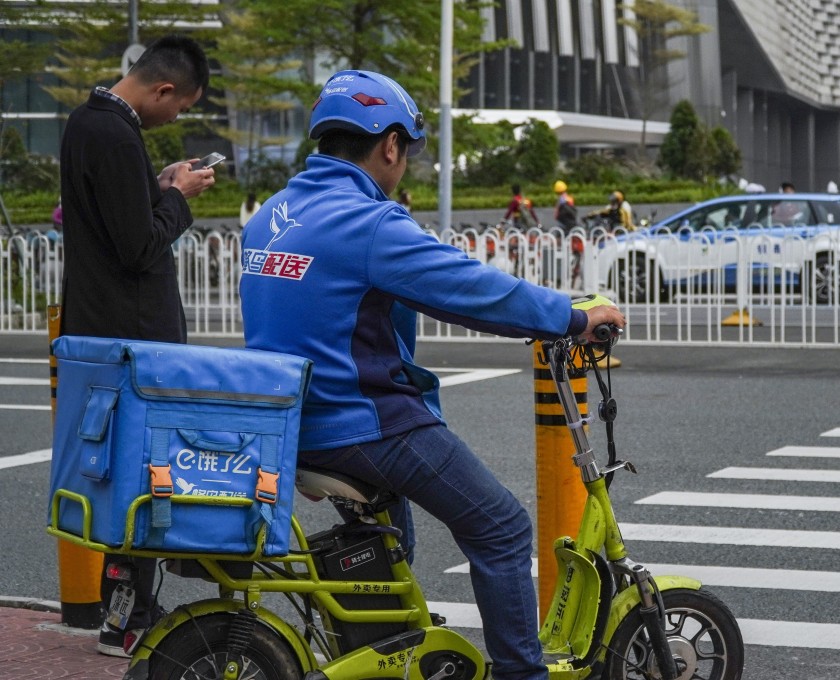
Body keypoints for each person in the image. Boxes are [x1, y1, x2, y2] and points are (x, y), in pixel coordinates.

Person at [239, 69, 625, 680]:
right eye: (407, 151)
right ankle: (521, 673)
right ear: (389, 144)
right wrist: (569, 318)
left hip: (294, 423)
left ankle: (385, 653)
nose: (405, 165)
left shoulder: (271, 217)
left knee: (394, 543)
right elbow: (470, 289)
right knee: (500, 526)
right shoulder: (367, 223)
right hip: (364, 423)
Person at [58, 34, 215, 657]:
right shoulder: (118, 133)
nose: (176, 118)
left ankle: (121, 615)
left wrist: (157, 184)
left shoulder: (85, 122)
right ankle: (128, 620)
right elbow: (139, 246)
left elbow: (109, 214)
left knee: (121, 477)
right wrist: (179, 198)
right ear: (163, 88)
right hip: (135, 339)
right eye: (180, 107)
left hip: (101, 327)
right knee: (145, 479)